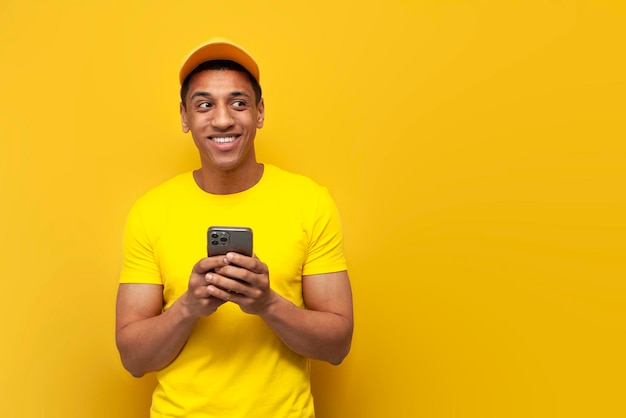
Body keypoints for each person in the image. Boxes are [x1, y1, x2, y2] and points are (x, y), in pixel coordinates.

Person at [115, 38, 354, 418]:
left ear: (260, 112)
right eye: (205, 104)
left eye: (239, 103)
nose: (223, 119)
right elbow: (133, 359)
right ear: (184, 117)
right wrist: (189, 307)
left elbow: (338, 346)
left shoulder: (310, 201)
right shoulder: (151, 210)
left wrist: (267, 303)